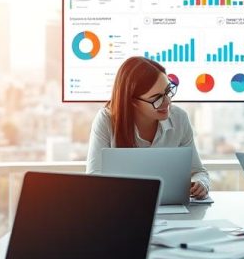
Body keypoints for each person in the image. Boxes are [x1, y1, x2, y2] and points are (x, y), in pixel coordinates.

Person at [87, 56, 211, 199]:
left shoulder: (179, 118)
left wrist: (201, 183)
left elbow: (198, 171)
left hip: (172, 209)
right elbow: (93, 179)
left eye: (167, 91)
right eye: (157, 98)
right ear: (132, 101)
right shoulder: (106, 120)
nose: (167, 102)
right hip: (123, 209)